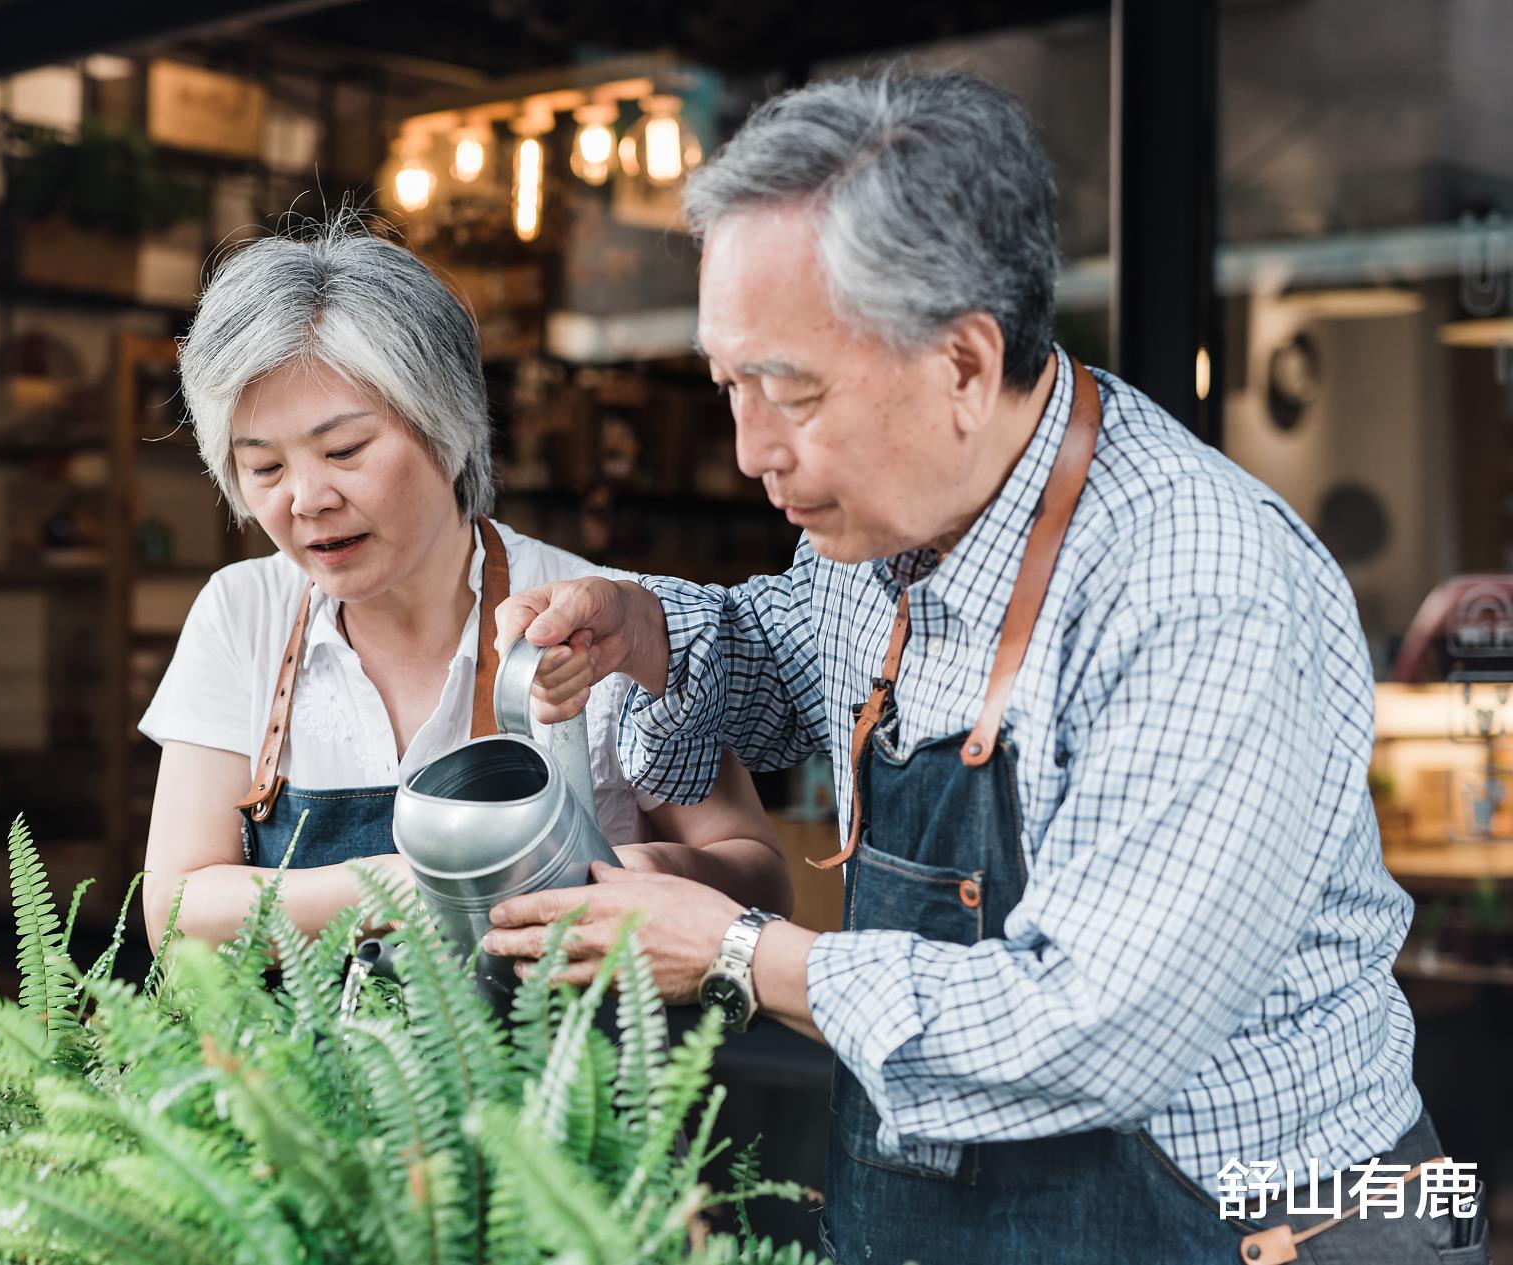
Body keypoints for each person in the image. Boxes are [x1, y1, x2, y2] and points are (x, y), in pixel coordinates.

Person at [483, 72, 1485, 1263]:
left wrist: (738, 951)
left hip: (1264, 1224)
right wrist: (644, 628)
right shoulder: (885, 525)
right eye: (727, 385)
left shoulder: (1200, 585)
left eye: (790, 392)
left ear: (963, 364)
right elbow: (782, 652)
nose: (750, 449)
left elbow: (1092, 1027)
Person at [138, 220, 790, 949]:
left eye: (345, 449)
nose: (306, 498)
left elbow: (762, 875)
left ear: (446, 426)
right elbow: (175, 905)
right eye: (264, 467)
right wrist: (412, 887)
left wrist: (642, 871)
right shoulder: (243, 613)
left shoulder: (599, 615)